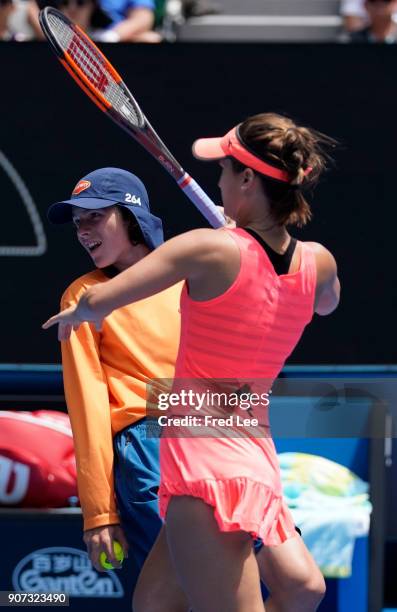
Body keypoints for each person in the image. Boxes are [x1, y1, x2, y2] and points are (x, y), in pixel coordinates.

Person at [44, 113, 339, 611]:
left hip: (201, 464)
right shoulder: (319, 261)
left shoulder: (202, 253)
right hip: (249, 453)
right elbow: (323, 302)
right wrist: (249, 246)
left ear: (247, 179)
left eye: (223, 170)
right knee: (156, 603)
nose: (217, 181)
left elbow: (97, 304)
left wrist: (79, 312)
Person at [45, 167, 187, 608]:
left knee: (298, 584)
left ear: (131, 216)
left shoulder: (197, 274)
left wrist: (248, 252)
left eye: (94, 216)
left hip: (218, 439)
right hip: (148, 449)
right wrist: (99, 513)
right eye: (77, 222)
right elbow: (87, 408)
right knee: (192, 593)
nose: (82, 230)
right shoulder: (82, 298)